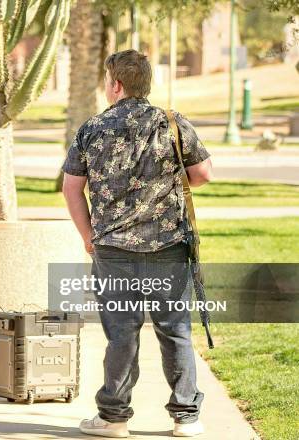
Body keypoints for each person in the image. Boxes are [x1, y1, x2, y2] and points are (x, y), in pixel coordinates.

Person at [62, 50, 213, 438]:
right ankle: (186, 418)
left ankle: (114, 419)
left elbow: (72, 187)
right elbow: (203, 174)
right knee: (175, 330)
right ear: (146, 84)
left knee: (122, 333)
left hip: (113, 250)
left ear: (116, 84)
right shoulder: (172, 123)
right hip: (168, 247)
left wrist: (87, 236)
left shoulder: (92, 128)